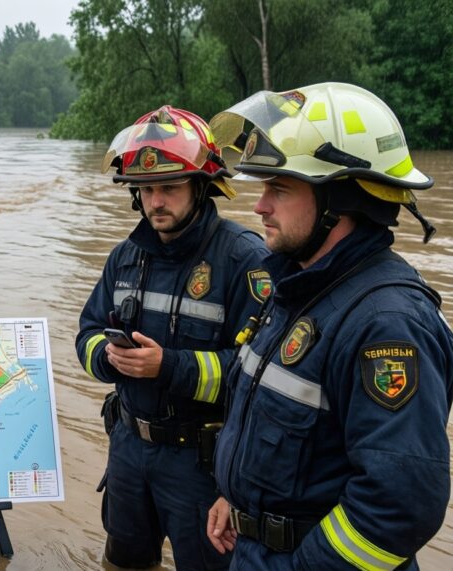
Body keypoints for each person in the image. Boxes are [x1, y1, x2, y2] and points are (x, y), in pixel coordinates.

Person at [204, 82, 453, 569]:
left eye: (279, 189)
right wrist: (235, 495)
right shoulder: (297, 286)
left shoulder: (388, 324)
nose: (259, 206)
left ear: (339, 200)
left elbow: (397, 508)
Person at [75, 106, 271, 570]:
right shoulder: (124, 257)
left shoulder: (245, 260)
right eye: (145, 190)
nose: (155, 201)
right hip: (128, 448)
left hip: (201, 465)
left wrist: (168, 366)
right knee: (123, 563)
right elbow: (86, 333)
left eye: (169, 187)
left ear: (201, 186)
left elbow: (263, 377)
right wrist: (106, 357)